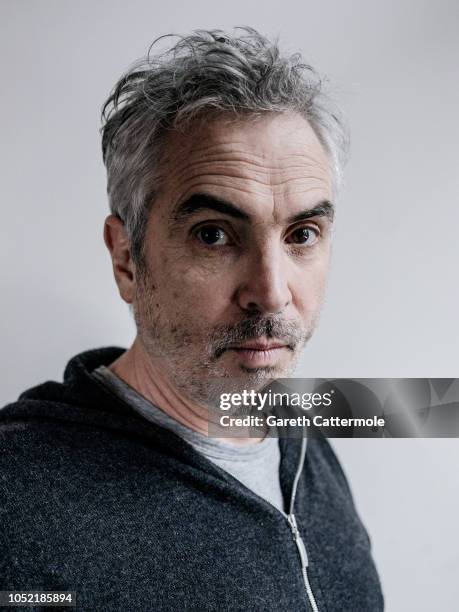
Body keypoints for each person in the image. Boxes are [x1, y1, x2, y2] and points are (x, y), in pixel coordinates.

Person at [0, 28, 384, 611]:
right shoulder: (18, 497)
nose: (272, 293)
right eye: (214, 234)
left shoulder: (305, 433)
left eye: (302, 234)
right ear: (127, 258)